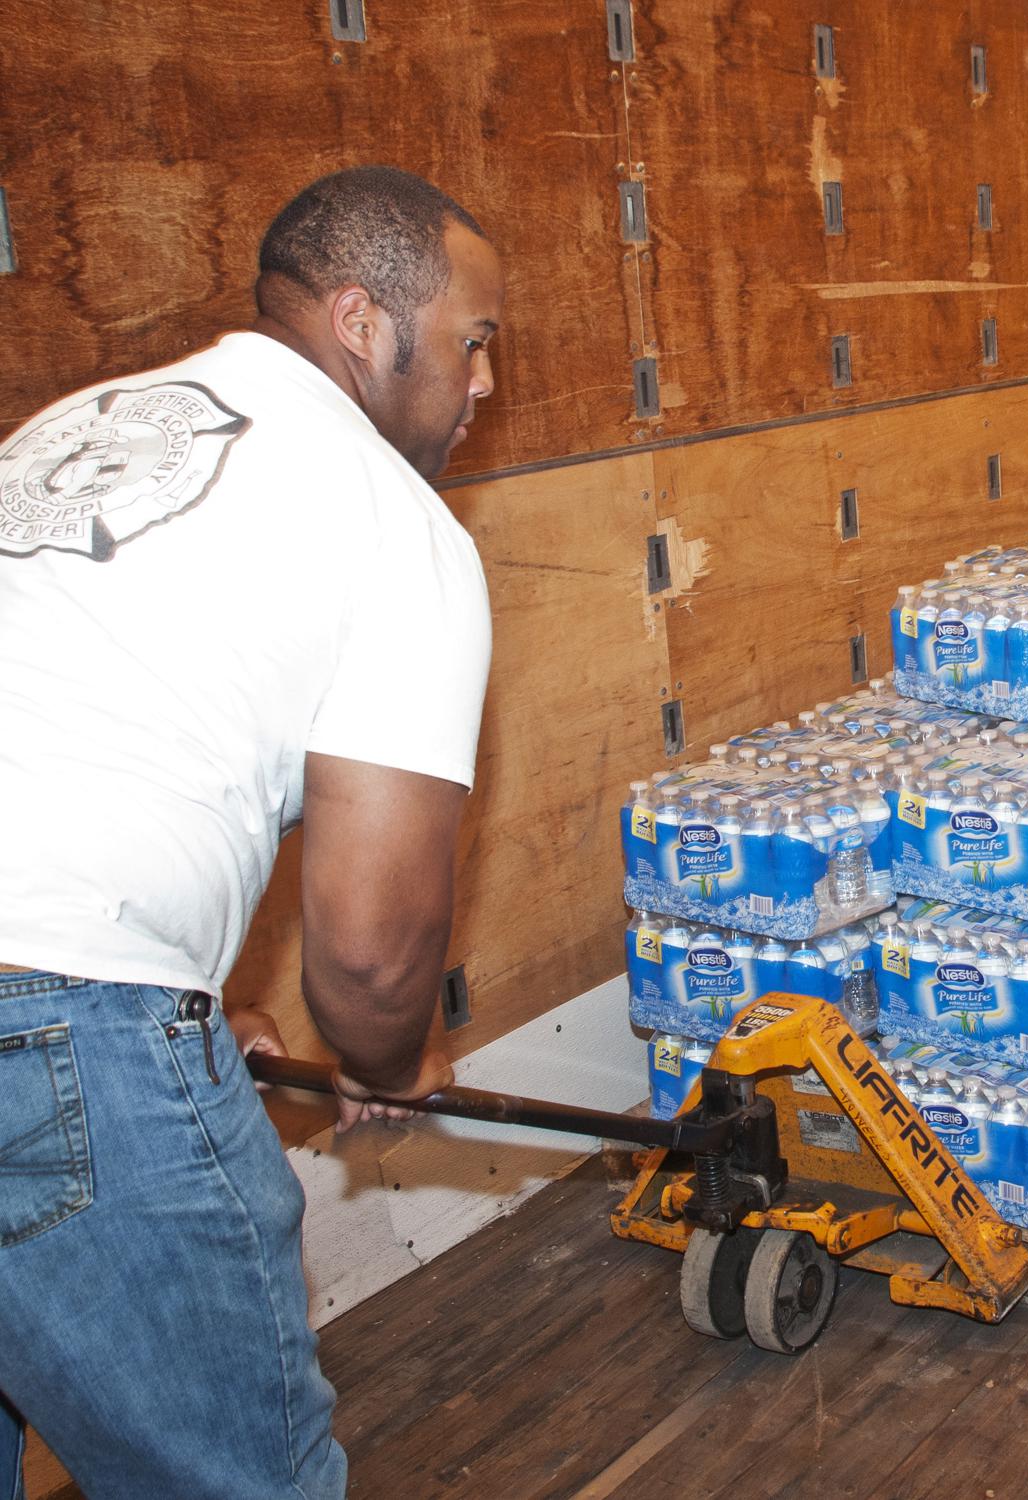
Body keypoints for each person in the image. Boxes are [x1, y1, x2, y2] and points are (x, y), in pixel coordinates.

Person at [0, 165, 502, 1499]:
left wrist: (185, 1008)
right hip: (58, 1034)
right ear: (362, 323)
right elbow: (373, 957)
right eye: (472, 341)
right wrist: (385, 1059)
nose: (484, 383)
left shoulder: (76, 428)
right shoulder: (391, 520)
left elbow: (69, 751)